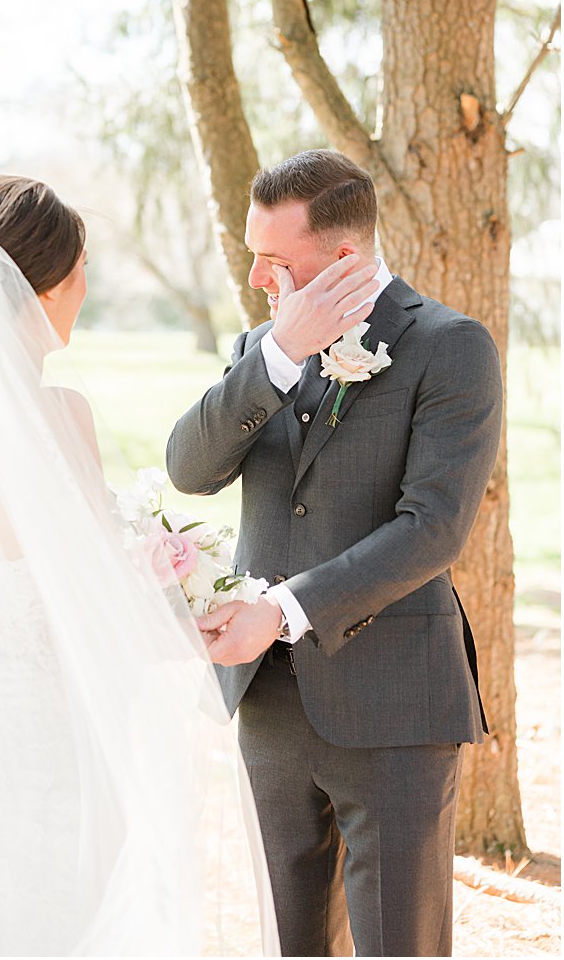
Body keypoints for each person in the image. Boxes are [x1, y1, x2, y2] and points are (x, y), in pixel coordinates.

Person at [0, 176, 277, 956]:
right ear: (39, 290)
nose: (87, 287)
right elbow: (94, 611)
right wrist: (184, 620)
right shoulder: (63, 417)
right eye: (81, 269)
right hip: (45, 749)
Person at [167, 149, 499, 957]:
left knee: (398, 943)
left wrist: (278, 611)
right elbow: (189, 466)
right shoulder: (260, 344)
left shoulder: (451, 346)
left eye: (276, 259)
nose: (256, 276)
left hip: (396, 701)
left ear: (345, 258)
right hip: (270, 701)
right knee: (296, 940)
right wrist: (277, 358)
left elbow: (433, 528)